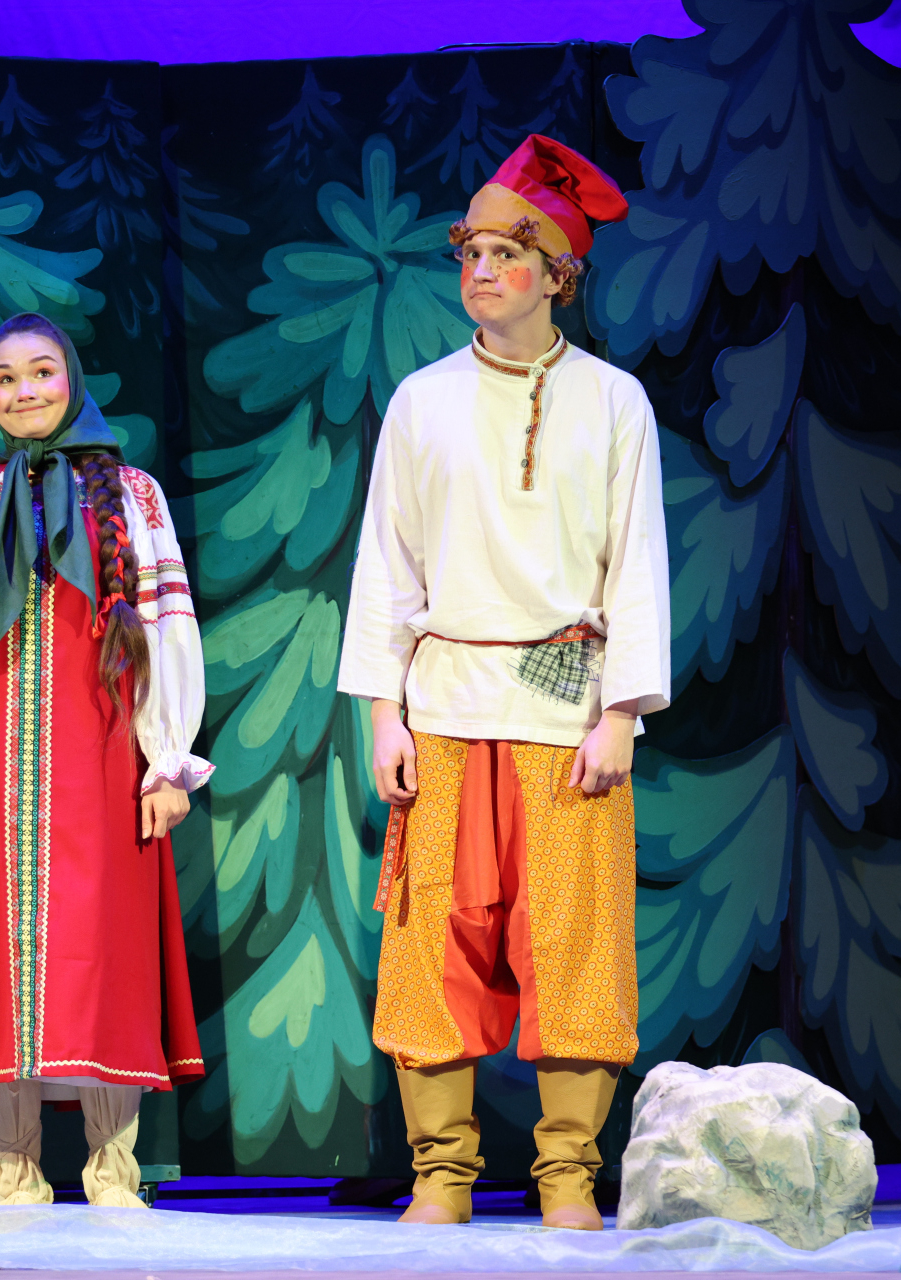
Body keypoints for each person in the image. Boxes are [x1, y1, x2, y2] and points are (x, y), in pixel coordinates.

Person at [338, 135, 669, 1230]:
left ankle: (566, 1173)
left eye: (506, 254)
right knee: (431, 938)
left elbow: (636, 561)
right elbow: (387, 563)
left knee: (574, 940)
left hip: (567, 707)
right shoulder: (422, 400)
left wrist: (620, 712)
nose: (480, 271)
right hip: (443, 704)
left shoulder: (613, 401)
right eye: (470, 253)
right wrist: (382, 712)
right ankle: (442, 1173)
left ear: (556, 274)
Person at [0, 312, 213, 1207]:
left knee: (103, 954)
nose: (25, 391)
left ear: (73, 381)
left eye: (42, 372)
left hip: (100, 758)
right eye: (6, 378)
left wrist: (167, 760)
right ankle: (15, 1174)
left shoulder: (131, 493)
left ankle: (113, 1172)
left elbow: (166, 626)